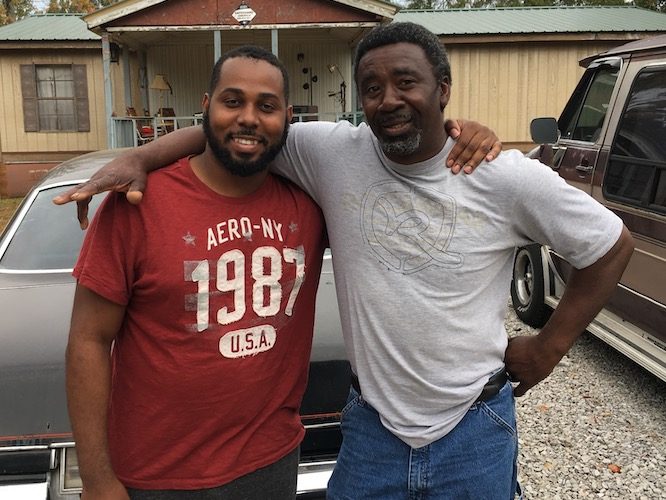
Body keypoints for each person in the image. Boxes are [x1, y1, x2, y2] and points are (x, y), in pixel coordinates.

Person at [57, 22, 634, 499]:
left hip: (473, 427)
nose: (389, 99)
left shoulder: (502, 175)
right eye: (373, 87)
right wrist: (140, 155)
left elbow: (611, 246)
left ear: (444, 89)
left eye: (406, 82)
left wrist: (547, 347)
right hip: (371, 430)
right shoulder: (330, 152)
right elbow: (237, 132)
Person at [66, 46, 329, 499]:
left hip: (269, 465)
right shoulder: (137, 203)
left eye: (266, 106)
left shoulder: (310, 203)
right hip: (155, 476)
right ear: (206, 107)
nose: (249, 117)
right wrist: (96, 478)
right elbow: (88, 341)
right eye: (232, 101)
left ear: (287, 117)